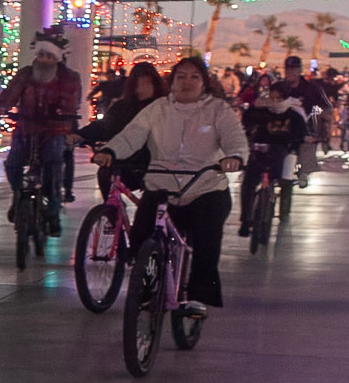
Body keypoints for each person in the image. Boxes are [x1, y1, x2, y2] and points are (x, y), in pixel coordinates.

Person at [93, 56, 247, 313]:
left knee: (207, 241)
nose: (187, 82)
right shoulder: (158, 109)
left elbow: (235, 139)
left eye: (194, 77)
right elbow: (131, 136)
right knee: (141, 238)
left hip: (205, 186)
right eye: (181, 77)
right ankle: (146, 286)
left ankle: (198, 297)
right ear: (172, 82)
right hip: (161, 185)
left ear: (204, 83)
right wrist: (111, 151)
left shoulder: (219, 110)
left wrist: (234, 157)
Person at [0, 34, 82, 232]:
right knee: (13, 163)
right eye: (41, 55)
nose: (44, 59)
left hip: (55, 129)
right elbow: (11, 93)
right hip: (26, 127)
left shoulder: (69, 77)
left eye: (49, 56)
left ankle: (53, 209)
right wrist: (1, 106)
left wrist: (63, 112)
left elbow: (71, 101)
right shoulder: (25, 74)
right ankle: (18, 195)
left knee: (53, 163)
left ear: (57, 58)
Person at [77, 61, 163, 201]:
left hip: (155, 165)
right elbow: (105, 126)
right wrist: (80, 135)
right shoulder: (123, 106)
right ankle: (112, 207)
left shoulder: (163, 107)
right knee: (106, 173)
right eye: (139, 81)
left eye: (147, 81)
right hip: (128, 162)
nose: (143, 86)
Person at [237, 83, 307, 236]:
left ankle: (283, 211)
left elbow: (301, 136)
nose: (274, 102)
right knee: (248, 183)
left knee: (286, 179)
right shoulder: (260, 111)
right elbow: (246, 122)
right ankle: (245, 220)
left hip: (283, 152)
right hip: (260, 150)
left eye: (279, 98)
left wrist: (295, 147)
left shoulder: (294, 114)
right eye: (272, 97)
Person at [271, 55, 330, 188]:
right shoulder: (278, 87)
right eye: (288, 69)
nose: (290, 72)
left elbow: (325, 109)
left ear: (300, 70)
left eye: (294, 69)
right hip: (281, 128)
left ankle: (303, 172)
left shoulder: (312, 88)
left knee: (306, 146)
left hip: (305, 128)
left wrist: (322, 132)